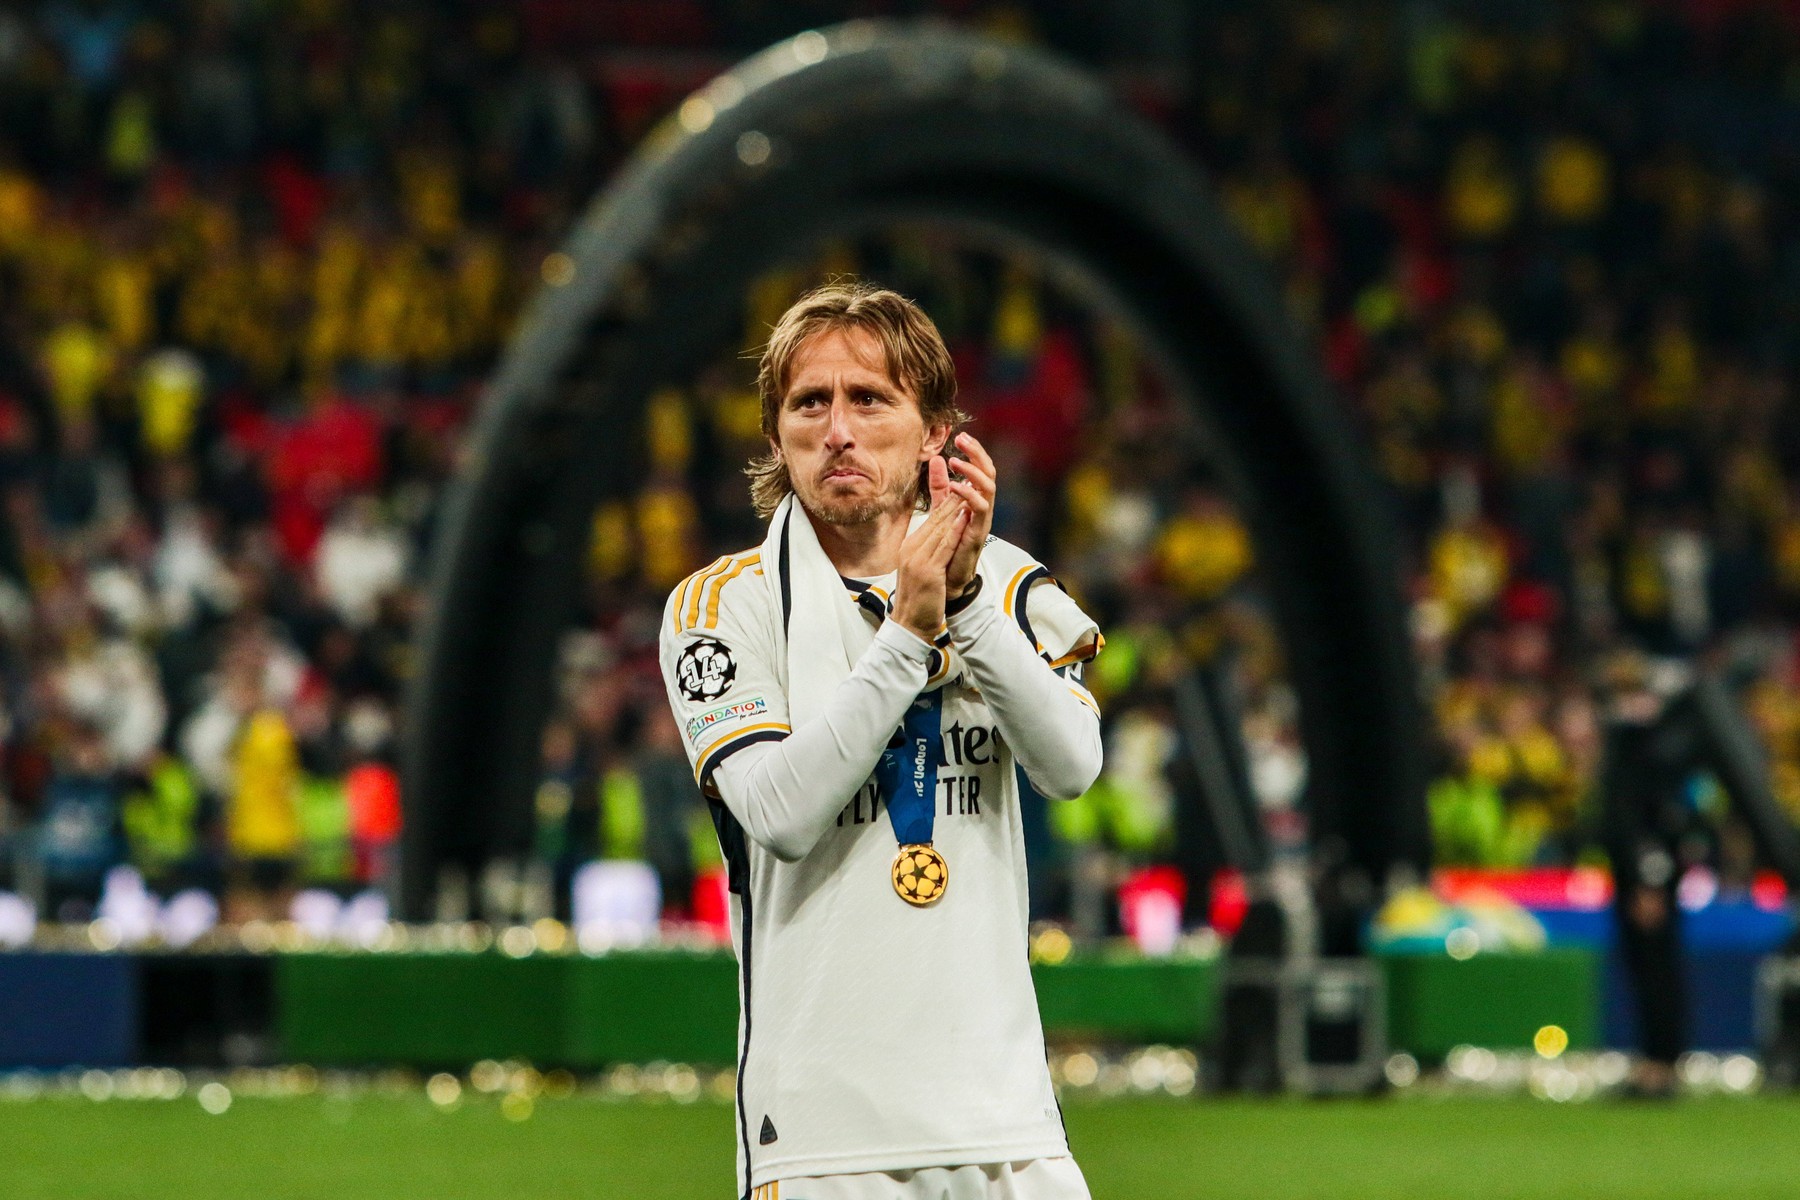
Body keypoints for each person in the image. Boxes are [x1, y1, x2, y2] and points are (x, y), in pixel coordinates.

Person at [658, 282, 1104, 1200]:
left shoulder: (1011, 587)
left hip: (1007, 1124)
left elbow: (1071, 766)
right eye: (809, 402)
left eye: (871, 398)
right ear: (776, 434)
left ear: (936, 428)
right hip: (825, 1140)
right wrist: (908, 637)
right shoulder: (724, 607)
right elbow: (779, 812)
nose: (838, 429)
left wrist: (970, 605)